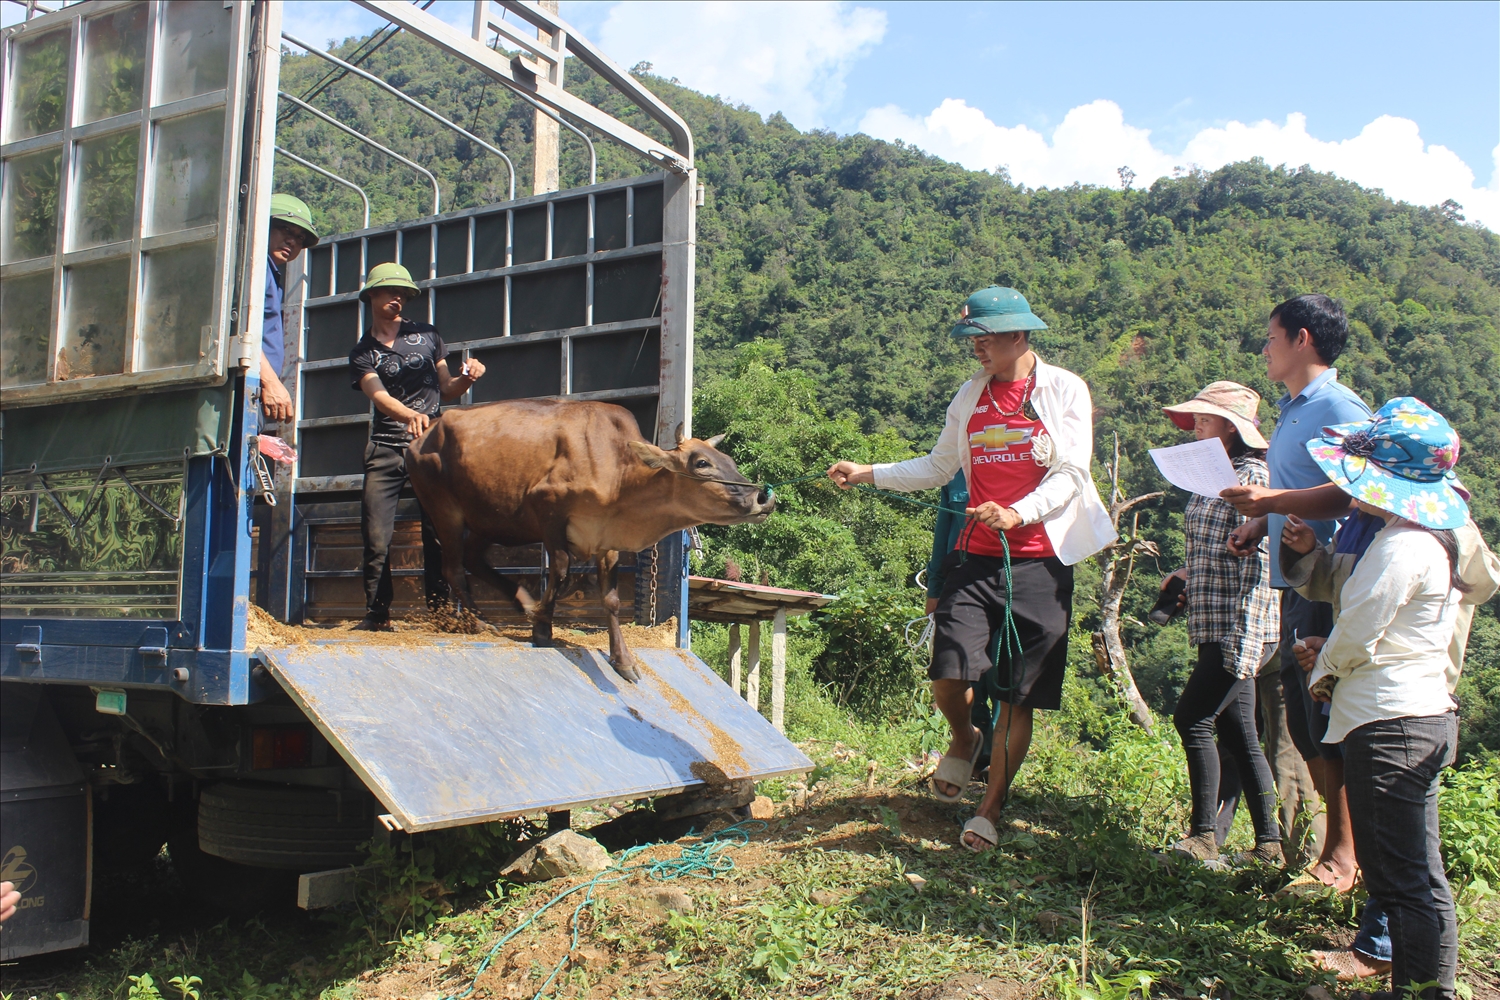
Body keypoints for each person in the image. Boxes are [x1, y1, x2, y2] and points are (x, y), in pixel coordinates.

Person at [827, 286, 1115, 853]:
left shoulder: (1062, 390)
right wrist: (868, 473)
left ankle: (990, 807)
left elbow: (1072, 473)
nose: (976, 349)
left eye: (984, 338)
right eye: (971, 339)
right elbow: (938, 466)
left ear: (1018, 334)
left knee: (1017, 693)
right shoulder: (972, 394)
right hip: (975, 557)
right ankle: (965, 738)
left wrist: (1018, 512)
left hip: (1040, 563)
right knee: (948, 670)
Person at [1280, 425, 1499, 985]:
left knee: (1406, 879)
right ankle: (1417, 986)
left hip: (1394, 722)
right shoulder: (1422, 537)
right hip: (1410, 716)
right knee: (1407, 875)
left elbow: (1358, 631)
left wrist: (1323, 666)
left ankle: (1426, 989)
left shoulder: (1402, 546)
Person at [1221, 294, 1371, 894]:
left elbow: (1353, 492)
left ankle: (1344, 856)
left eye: (1271, 338)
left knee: (1330, 715)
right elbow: (1298, 488)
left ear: (1302, 339)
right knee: (1307, 719)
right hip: (1294, 576)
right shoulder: (1295, 408)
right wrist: (1260, 524)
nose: (1264, 348)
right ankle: (1325, 851)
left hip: (1329, 581)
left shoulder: (1339, 407)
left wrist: (1272, 504)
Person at [1154, 382, 1283, 866]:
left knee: (1192, 718)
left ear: (1230, 428)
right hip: (1215, 617)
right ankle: (1270, 845)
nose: (1196, 426)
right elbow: (1221, 546)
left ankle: (1204, 836)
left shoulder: (1253, 481)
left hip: (1239, 624)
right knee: (1238, 732)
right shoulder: (1217, 476)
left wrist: (1244, 640)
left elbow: (1262, 562)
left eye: (1204, 420)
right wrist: (1190, 574)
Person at [349, 263, 486, 630]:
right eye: (390, 292)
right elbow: (377, 395)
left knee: (440, 535)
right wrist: (408, 413)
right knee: (376, 537)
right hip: (386, 448)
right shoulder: (363, 351)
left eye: (404, 294)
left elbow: (447, 389)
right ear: (372, 296)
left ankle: (443, 616)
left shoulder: (427, 336)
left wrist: (466, 379)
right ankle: (377, 616)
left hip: (431, 450)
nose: (398, 298)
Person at [261, 193, 319, 425]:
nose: (292, 241)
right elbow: (236, 332)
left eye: (299, 237)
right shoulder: (254, 267)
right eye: (285, 230)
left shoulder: (271, 275)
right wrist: (271, 382)